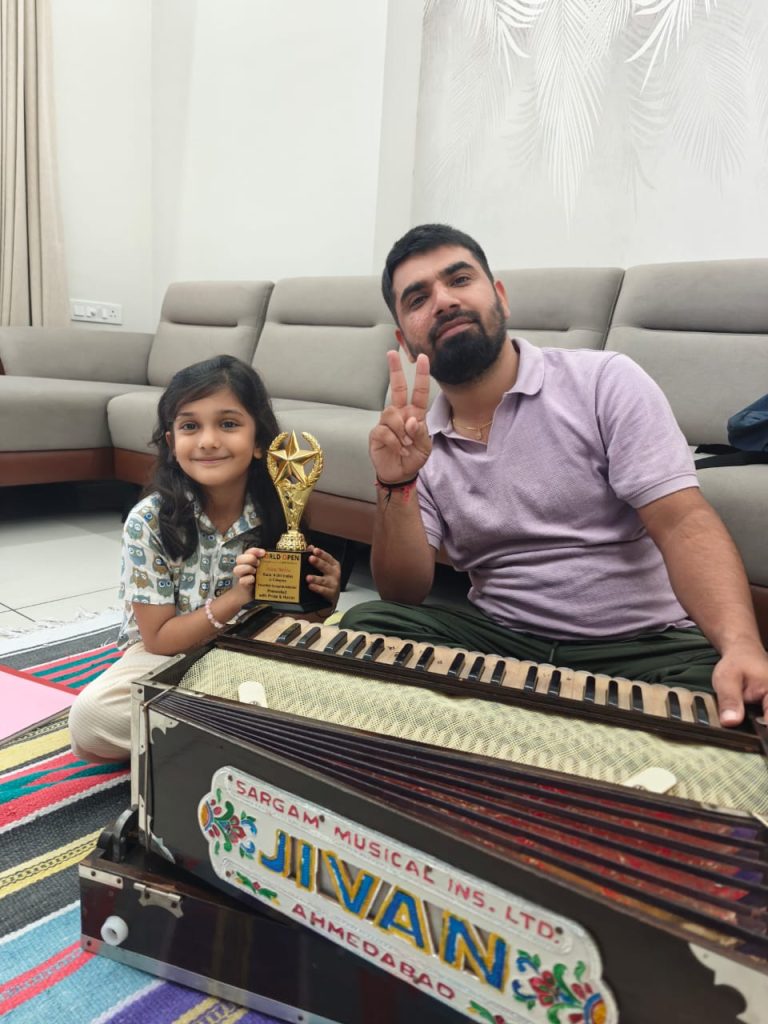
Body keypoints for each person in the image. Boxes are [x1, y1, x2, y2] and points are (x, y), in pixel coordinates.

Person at [340, 224, 768, 726]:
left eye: (460, 279)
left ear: (500, 297)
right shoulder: (419, 439)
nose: (444, 301)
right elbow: (403, 592)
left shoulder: (604, 381)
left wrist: (741, 644)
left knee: (734, 702)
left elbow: (683, 523)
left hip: (643, 647)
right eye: (418, 299)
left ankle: (507, 721)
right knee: (367, 624)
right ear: (404, 341)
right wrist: (396, 484)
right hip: (502, 641)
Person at [69, 355, 341, 762]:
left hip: (252, 655)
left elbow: (290, 623)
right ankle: (247, 729)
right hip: (165, 659)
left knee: (345, 687)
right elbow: (159, 639)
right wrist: (236, 598)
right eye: (190, 426)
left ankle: (207, 732)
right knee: (93, 720)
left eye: (228, 424)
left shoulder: (280, 513)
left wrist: (321, 599)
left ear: (259, 442)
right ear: (171, 442)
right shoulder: (149, 522)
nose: (208, 440)